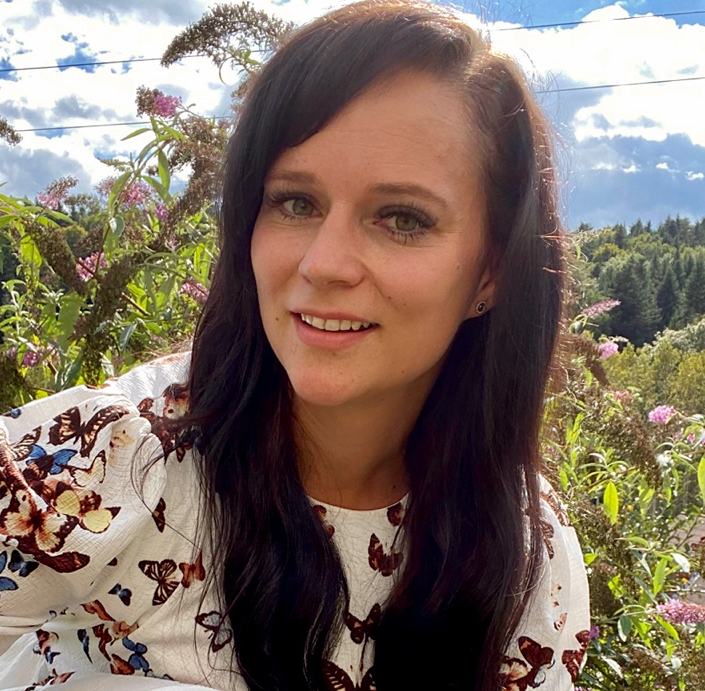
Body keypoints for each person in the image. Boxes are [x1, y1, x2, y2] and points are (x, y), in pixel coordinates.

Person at [0, 1, 590, 689]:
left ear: (490, 272)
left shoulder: (528, 559)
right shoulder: (117, 460)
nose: (323, 263)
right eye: (295, 202)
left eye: (402, 218)